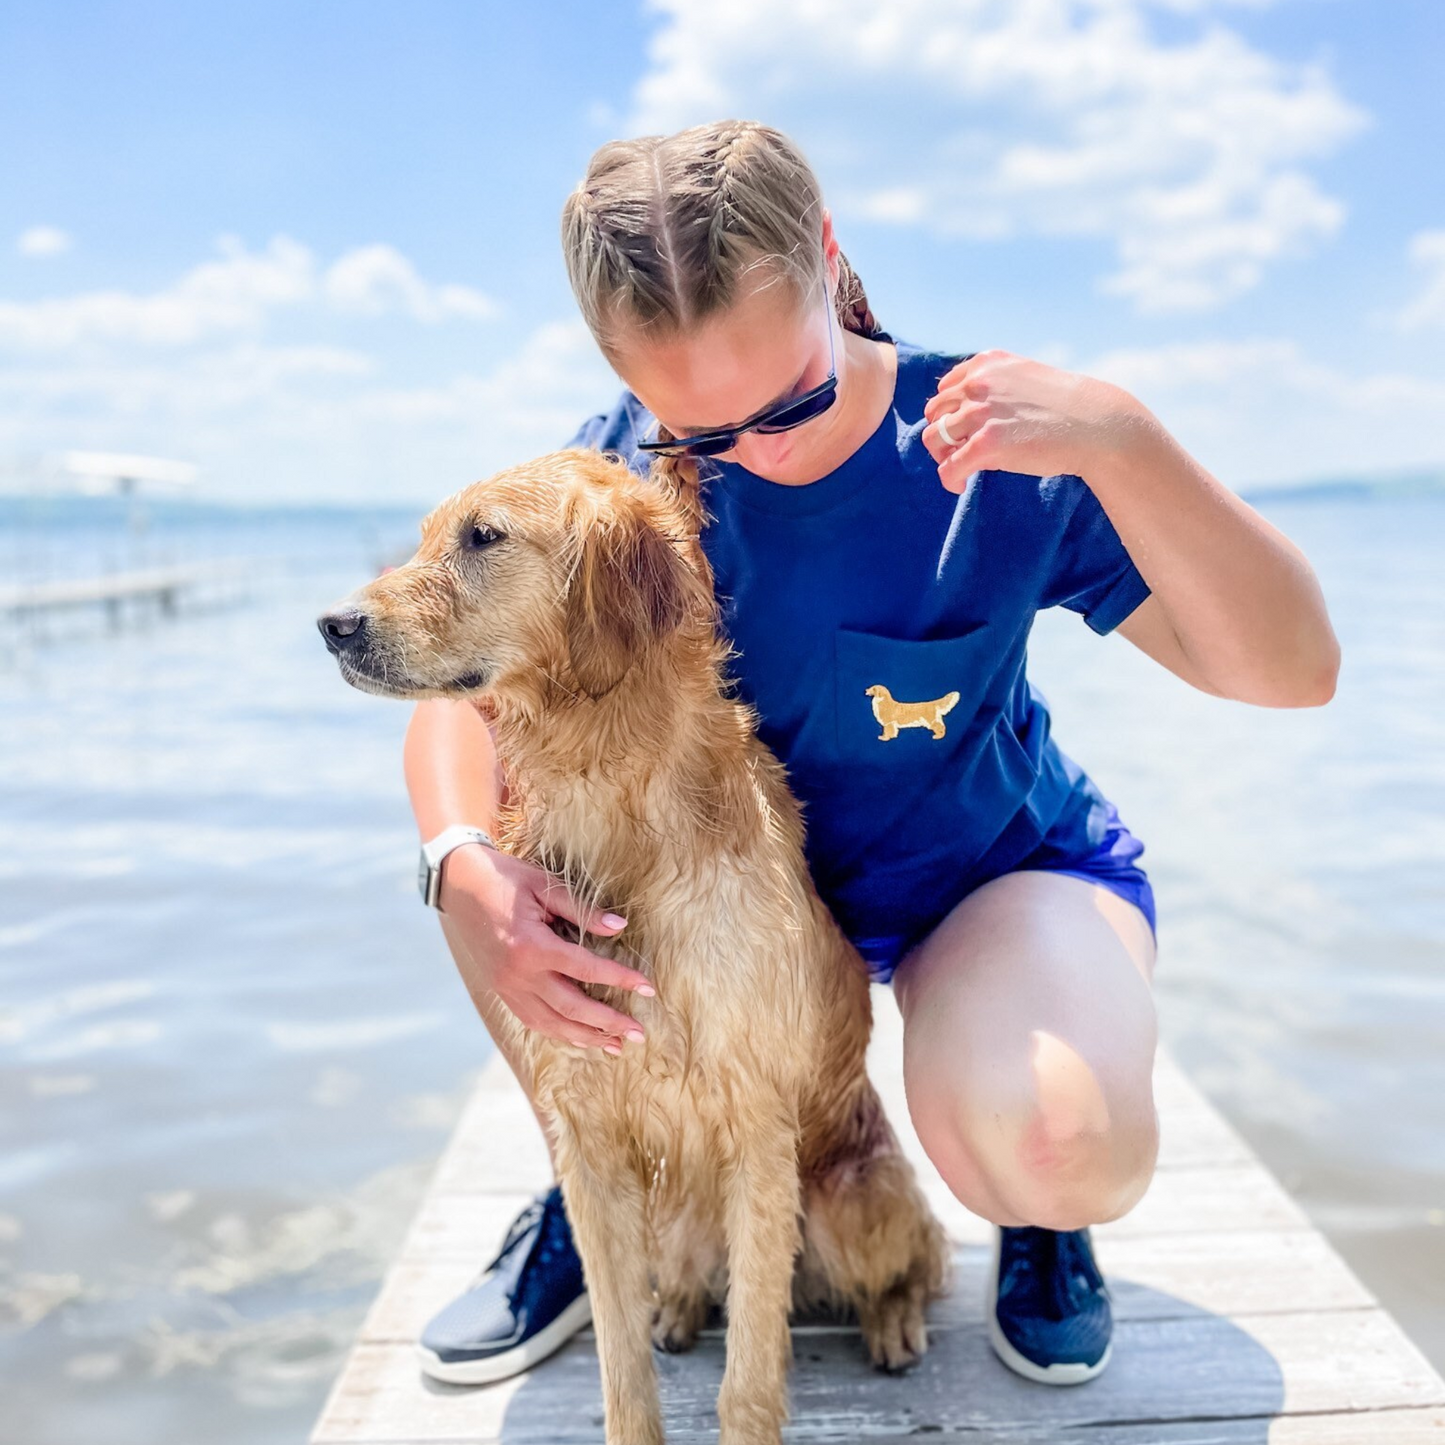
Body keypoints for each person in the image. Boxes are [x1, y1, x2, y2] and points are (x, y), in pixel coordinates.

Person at [403, 120, 1339, 1389]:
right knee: (482, 874)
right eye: (703, 435)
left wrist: (1123, 438)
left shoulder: (983, 442)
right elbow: (464, 694)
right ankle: (595, 1196)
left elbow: (1290, 671)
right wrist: (459, 859)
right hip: (730, 915)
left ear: (828, 261)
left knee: (1063, 1140)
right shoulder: (619, 475)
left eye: (781, 402)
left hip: (978, 884)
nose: (755, 455)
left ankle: (1041, 1225)